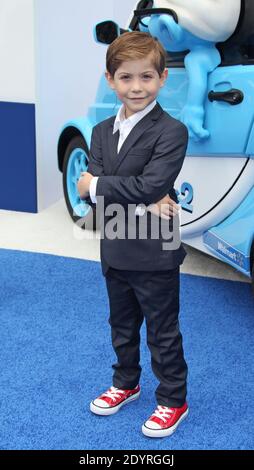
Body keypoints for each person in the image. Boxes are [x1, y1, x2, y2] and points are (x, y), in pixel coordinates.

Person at [77, 31, 189, 438]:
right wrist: (139, 198)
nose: (136, 87)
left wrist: (97, 185)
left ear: (162, 79)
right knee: (121, 326)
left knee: (162, 331)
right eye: (126, 77)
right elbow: (117, 195)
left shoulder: (171, 131)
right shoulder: (101, 131)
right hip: (115, 247)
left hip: (155, 252)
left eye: (146, 77)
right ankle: (126, 384)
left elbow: (138, 184)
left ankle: (173, 401)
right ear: (110, 79)